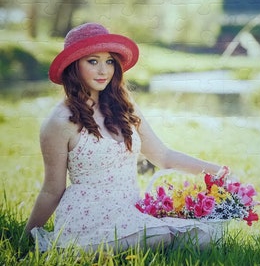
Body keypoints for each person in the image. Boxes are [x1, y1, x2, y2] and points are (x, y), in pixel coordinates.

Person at [24, 22, 224, 252]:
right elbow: (52, 189)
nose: (103, 70)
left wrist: (215, 171)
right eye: (93, 61)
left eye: (109, 61)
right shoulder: (58, 123)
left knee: (205, 236)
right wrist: (28, 236)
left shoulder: (124, 107)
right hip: (88, 215)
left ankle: (153, 240)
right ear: (74, 65)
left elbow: (164, 156)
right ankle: (79, 247)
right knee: (157, 237)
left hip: (130, 209)